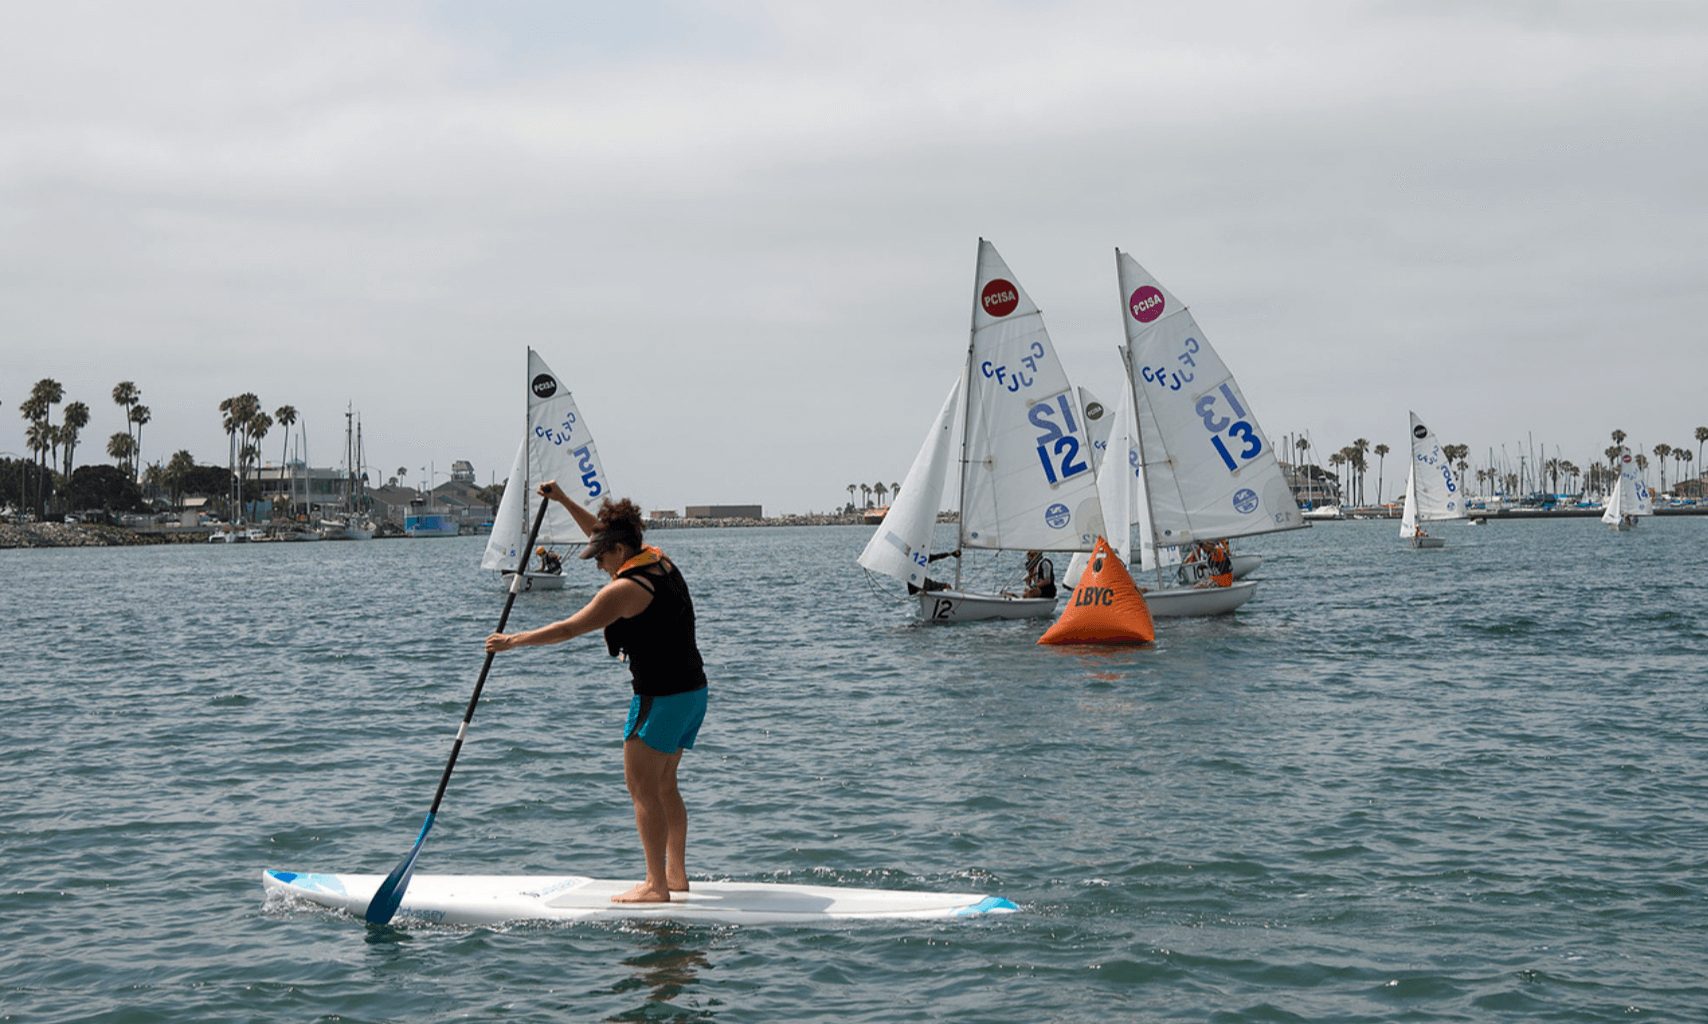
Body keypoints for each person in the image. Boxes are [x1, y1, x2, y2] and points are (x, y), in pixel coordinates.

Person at [486, 482, 708, 904]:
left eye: (602, 557)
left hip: (660, 698)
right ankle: (675, 876)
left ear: (620, 552)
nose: (598, 564)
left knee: (641, 787)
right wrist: (565, 500)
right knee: (665, 785)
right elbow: (601, 534)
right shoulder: (657, 558)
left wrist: (512, 641)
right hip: (693, 692)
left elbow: (569, 628)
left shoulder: (623, 591)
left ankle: (654, 885)